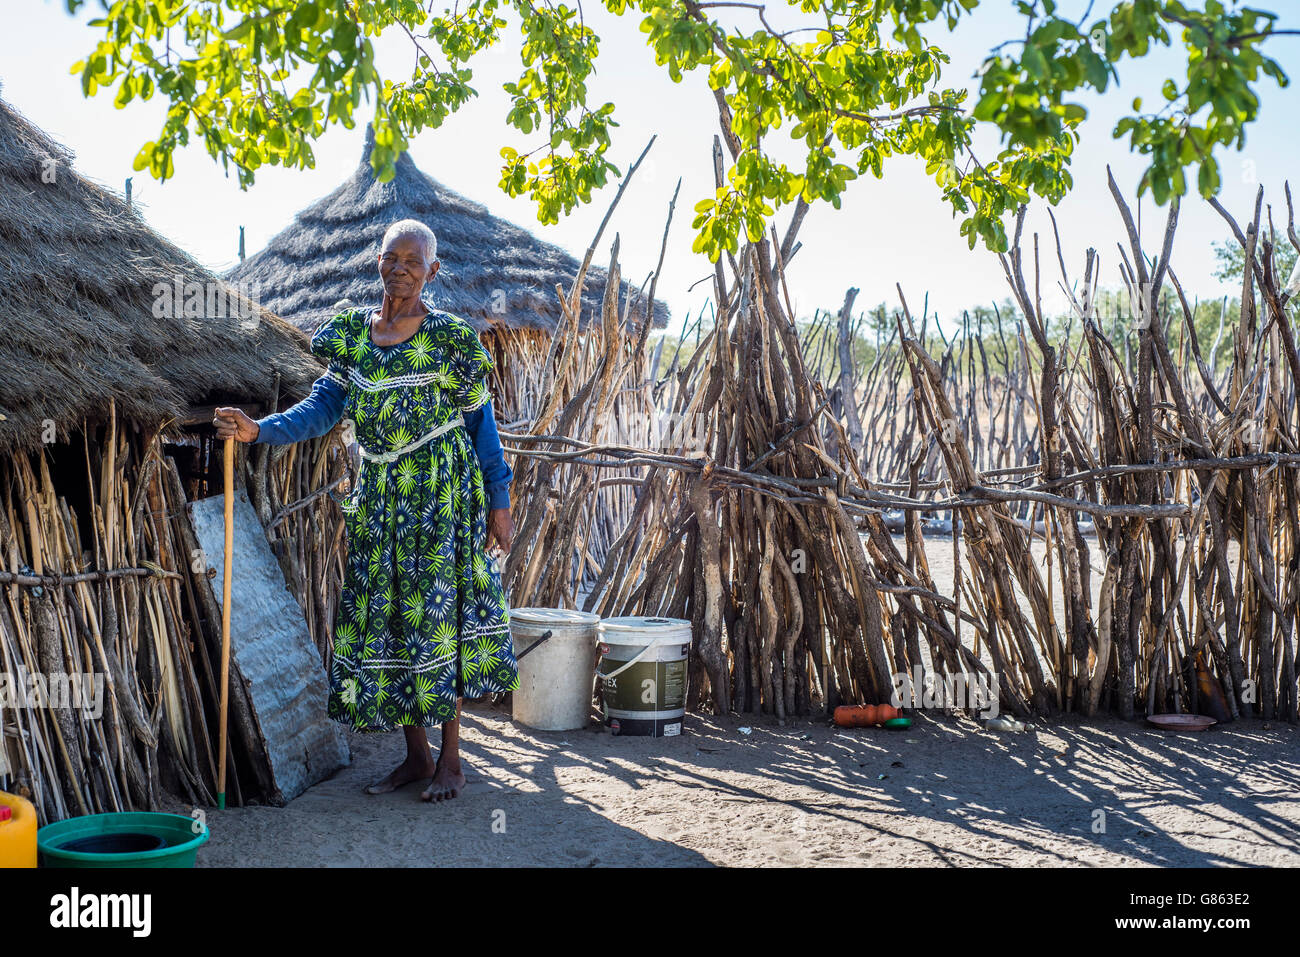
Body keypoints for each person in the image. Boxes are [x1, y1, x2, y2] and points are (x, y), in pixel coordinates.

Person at [214, 219, 518, 803]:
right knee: (394, 620)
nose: (399, 267)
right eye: (391, 257)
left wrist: (499, 501)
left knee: (438, 619)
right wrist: (259, 430)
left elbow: (485, 429)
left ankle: (452, 761)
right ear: (377, 263)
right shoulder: (353, 338)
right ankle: (414, 756)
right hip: (380, 499)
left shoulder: (452, 342)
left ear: (433, 271)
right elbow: (319, 411)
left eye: (413, 260)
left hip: (441, 499)